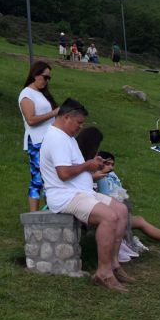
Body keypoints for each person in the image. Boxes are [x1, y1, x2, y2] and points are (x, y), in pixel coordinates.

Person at [40, 99, 133, 292]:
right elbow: (63, 174)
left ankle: (114, 264)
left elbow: (75, 167)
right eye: (78, 122)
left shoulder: (67, 137)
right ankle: (103, 273)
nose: (80, 127)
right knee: (110, 216)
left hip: (82, 192)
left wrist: (93, 164)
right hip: (65, 196)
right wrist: (87, 165)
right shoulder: (56, 138)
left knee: (121, 210)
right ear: (66, 117)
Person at [18, 60, 60, 213]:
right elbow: (31, 120)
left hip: (48, 141)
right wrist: (53, 113)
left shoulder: (41, 94)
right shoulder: (26, 94)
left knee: (50, 178)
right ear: (35, 75)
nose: (47, 81)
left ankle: (51, 211)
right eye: (45, 77)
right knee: (37, 180)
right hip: (36, 141)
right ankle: (34, 216)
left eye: (49, 78)